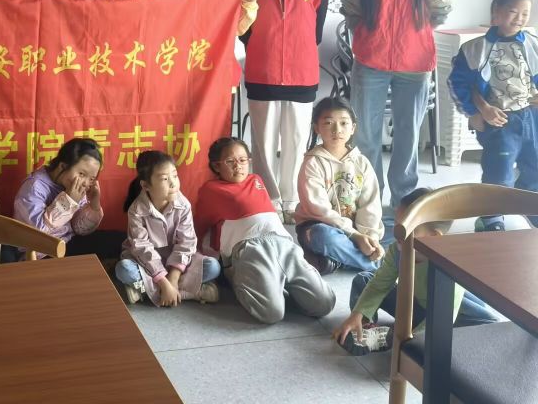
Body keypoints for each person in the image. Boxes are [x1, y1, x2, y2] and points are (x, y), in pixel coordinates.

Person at [341, 0, 452, 207]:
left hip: (415, 63)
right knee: (366, 134)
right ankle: (371, 198)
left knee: (408, 134)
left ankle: (404, 199)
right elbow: (350, 5)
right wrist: (367, 33)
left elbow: (441, 6)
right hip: (371, 61)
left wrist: (414, 32)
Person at [240, 0, 328, 223]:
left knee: (295, 141)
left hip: (301, 72)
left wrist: (295, 49)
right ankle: (268, 200)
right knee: (263, 143)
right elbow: (243, 28)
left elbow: (316, 29)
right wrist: (264, 47)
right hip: (261, 71)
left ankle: (290, 200)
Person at [332, 187, 497, 355]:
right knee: (364, 280)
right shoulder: (397, 250)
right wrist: (358, 314)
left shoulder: (449, 264)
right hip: (416, 309)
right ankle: (365, 326)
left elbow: (441, 318)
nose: (397, 233)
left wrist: (406, 342)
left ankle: (394, 338)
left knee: (474, 335)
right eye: (396, 225)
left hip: (453, 321)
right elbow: (379, 285)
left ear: (433, 237)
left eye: (406, 229)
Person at [196, 137, 335, 323]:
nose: (238, 166)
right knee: (271, 313)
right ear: (216, 166)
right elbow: (199, 224)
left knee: (324, 304)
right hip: (249, 248)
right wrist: (195, 254)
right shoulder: (211, 189)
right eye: (230, 161)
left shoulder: (256, 179)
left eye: (243, 160)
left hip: (285, 244)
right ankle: (236, 276)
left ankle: (278, 283)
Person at [448, 0, 538, 231]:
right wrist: (475, 111)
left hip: (531, 118)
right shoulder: (475, 48)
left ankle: (532, 207)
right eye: (513, 12)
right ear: (496, 13)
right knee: (499, 171)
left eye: (525, 13)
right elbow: (457, 83)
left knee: (535, 166)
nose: (519, 18)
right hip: (499, 121)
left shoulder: (532, 44)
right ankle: (491, 218)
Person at [116, 150, 220, 306]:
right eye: (165, 178)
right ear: (145, 185)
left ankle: (148, 292)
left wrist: (173, 278)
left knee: (213, 266)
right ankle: (191, 292)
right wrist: (164, 282)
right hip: (147, 264)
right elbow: (142, 249)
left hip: (178, 264)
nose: (173, 183)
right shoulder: (136, 210)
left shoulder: (183, 205)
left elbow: (186, 243)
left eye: (175, 176)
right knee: (124, 269)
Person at [294, 97, 384, 274]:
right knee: (323, 237)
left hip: (355, 231)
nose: (337, 130)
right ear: (316, 128)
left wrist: (369, 238)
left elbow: (370, 205)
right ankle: (376, 266)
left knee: (380, 236)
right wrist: (355, 236)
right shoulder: (312, 163)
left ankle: (335, 260)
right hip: (318, 226)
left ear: (353, 128)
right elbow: (319, 210)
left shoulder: (362, 163)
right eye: (328, 123)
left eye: (344, 123)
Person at [13, 138, 103, 254]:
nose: (85, 183)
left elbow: (79, 229)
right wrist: (68, 201)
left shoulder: (75, 186)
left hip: (66, 242)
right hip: (39, 252)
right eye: (81, 174)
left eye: (91, 178)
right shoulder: (34, 186)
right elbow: (38, 233)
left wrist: (94, 206)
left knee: (114, 241)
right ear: (62, 166)